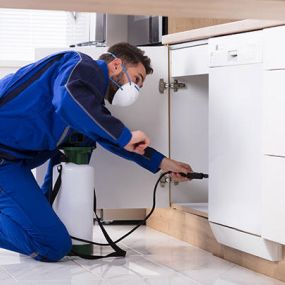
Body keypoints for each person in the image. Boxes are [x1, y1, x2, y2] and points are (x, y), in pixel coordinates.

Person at [0, 42, 192, 262]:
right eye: (137, 79)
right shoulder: (81, 65)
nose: (136, 89)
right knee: (52, 245)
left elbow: (113, 142)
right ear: (117, 65)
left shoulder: (89, 109)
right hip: (5, 161)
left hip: (13, 163)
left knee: (46, 232)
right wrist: (124, 135)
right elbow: (68, 99)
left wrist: (165, 164)